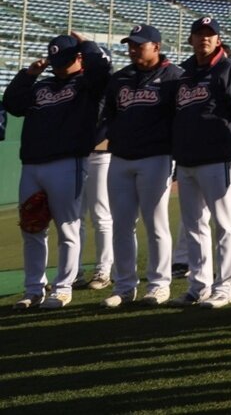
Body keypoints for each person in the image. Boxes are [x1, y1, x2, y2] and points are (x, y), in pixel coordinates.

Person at [3, 33, 112, 309]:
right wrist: (28, 74)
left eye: (64, 59)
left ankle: (63, 287)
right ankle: (33, 289)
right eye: (54, 60)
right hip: (32, 164)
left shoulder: (88, 85)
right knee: (32, 228)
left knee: (68, 227)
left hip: (68, 162)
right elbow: (13, 104)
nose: (58, 66)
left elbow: (102, 71)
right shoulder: (42, 85)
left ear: (78, 58)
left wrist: (88, 45)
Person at [100, 24, 183, 308]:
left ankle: (159, 285)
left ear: (156, 47)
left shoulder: (174, 76)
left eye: (139, 45)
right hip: (120, 158)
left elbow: (179, 117)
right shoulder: (120, 78)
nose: (133, 49)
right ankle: (124, 286)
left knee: (156, 223)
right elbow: (110, 113)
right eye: (130, 45)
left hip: (156, 158)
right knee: (121, 225)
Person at [170, 16, 231, 309]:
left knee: (223, 224)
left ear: (218, 40)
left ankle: (224, 287)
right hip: (188, 159)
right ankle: (198, 286)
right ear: (191, 39)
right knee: (193, 225)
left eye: (210, 34)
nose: (204, 39)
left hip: (218, 157)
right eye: (199, 34)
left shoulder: (229, 70)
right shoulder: (184, 72)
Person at [75, 137, 113, 291]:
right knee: (73, 219)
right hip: (75, 156)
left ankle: (103, 271)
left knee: (101, 216)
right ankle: (74, 272)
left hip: (101, 154)